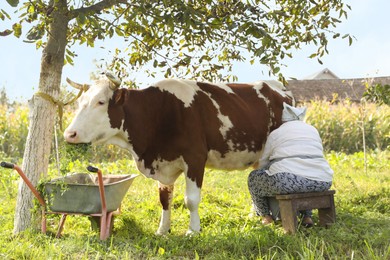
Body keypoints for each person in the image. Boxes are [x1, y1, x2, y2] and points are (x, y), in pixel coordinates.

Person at [247, 102, 333, 226]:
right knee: (304, 181)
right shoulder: (313, 130)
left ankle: (266, 217)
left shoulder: (276, 133)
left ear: (284, 119)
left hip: (287, 181)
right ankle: (307, 217)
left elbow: (263, 161)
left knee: (253, 178)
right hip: (323, 181)